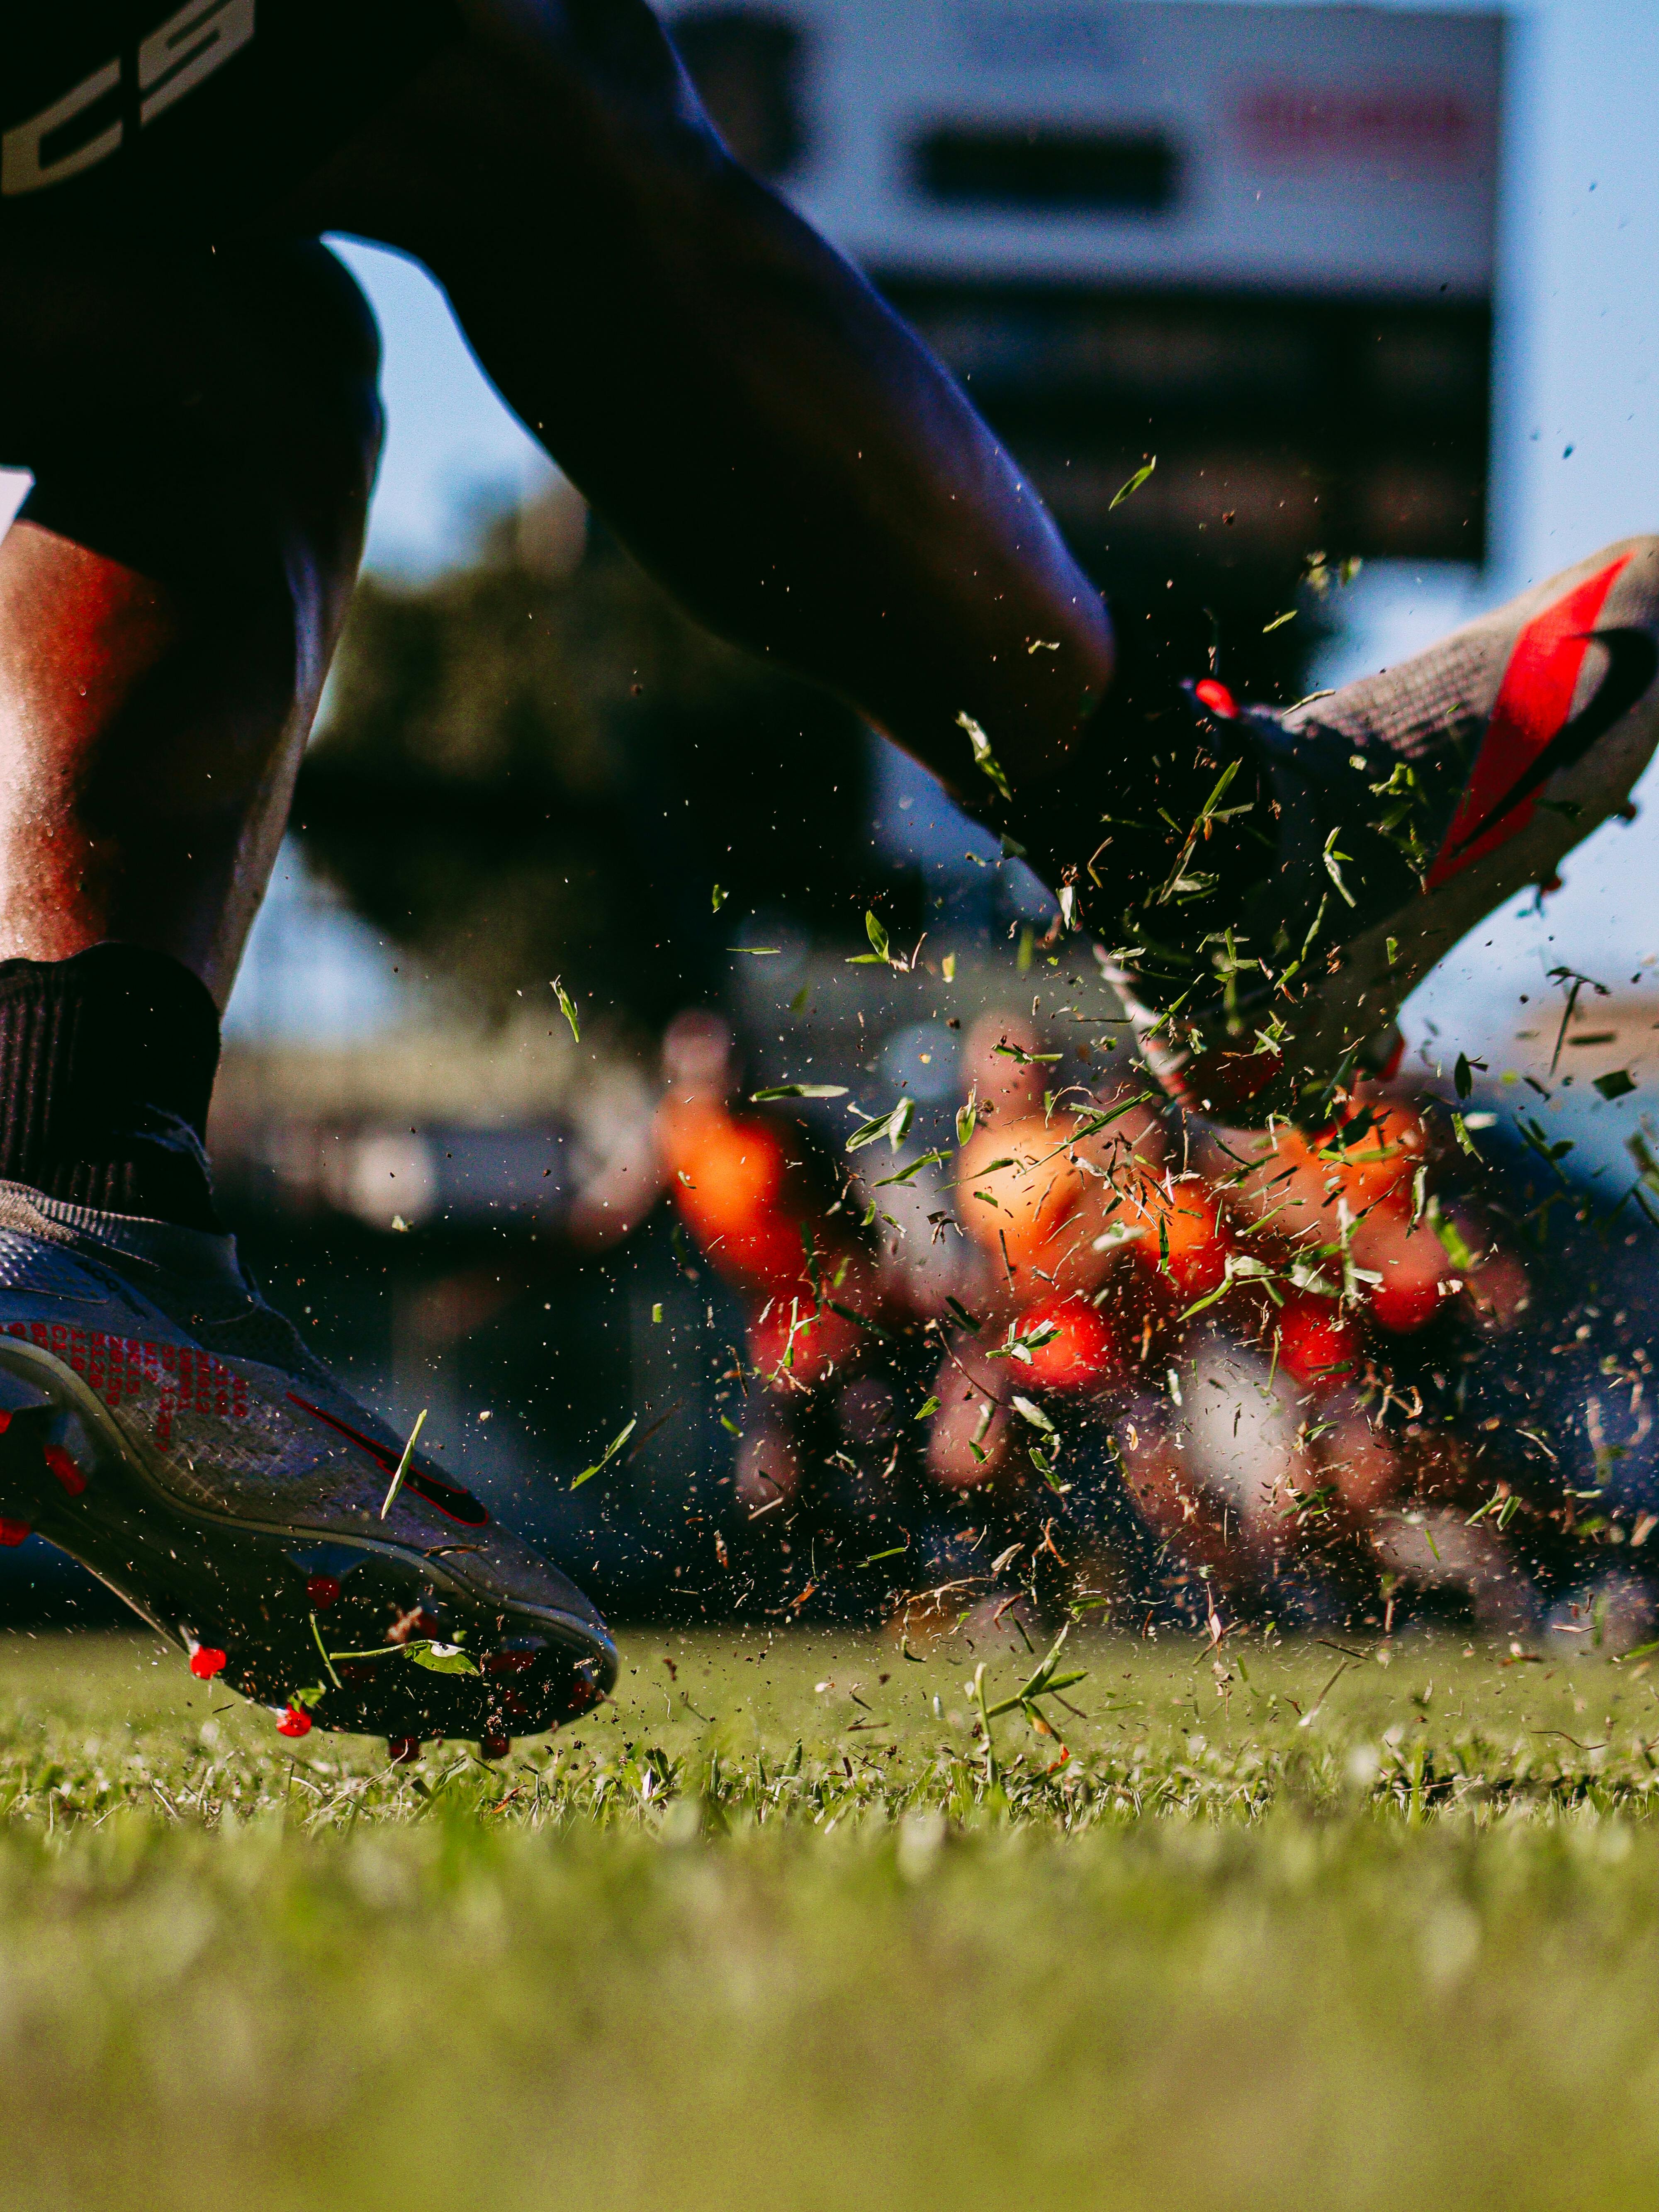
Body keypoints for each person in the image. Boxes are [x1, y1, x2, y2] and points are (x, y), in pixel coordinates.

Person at [0, 1, 1653, 1747]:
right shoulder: (867, 1149)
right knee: (506, 53)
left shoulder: (926, 1152)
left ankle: (71, 1181)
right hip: (945, 1348)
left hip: (1071, 1339)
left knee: (215, 345)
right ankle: (1193, 847)